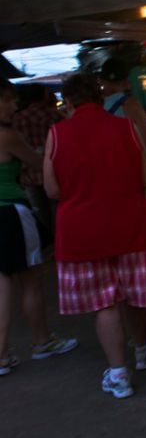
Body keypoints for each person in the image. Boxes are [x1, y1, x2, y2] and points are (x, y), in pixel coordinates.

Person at [44, 73, 146, 399]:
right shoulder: (124, 127)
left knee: (105, 302)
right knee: (134, 294)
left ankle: (118, 375)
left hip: (83, 232)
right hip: (130, 224)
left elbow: (52, 189)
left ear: (69, 103)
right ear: (100, 100)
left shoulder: (57, 133)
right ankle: (142, 351)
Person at [0, 78, 77, 375]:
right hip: (12, 213)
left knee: (4, 282)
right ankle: (41, 341)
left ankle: (3, 354)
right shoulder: (6, 136)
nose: (13, 105)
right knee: (31, 279)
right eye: (5, 100)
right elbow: (37, 160)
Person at [11, 83, 60, 234]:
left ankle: (47, 247)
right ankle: (58, 243)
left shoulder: (16, 118)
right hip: (53, 172)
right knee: (57, 211)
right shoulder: (53, 116)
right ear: (43, 96)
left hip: (28, 174)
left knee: (40, 214)